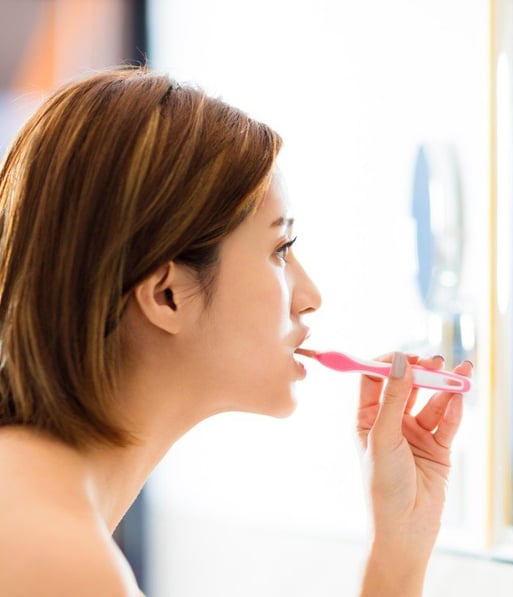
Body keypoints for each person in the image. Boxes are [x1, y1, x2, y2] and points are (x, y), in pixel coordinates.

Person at [0, 66, 471, 597]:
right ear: (166, 296)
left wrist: (399, 548)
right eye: (280, 251)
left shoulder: (32, 507)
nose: (310, 296)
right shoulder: (61, 562)